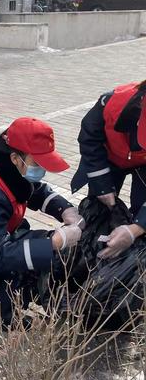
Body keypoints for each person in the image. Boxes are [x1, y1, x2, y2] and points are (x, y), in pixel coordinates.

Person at [0, 117, 83, 325]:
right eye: (37, 162)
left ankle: (8, 294)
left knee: (33, 243)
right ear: (15, 158)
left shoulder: (9, 170)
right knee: (37, 251)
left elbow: (35, 192)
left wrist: (66, 210)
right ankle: (3, 317)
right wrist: (54, 242)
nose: (42, 168)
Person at [71, 80, 146, 259]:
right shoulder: (111, 104)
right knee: (101, 205)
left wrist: (136, 229)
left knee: (140, 210)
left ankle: (136, 258)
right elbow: (89, 139)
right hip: (109, 158)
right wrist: (102, 184)